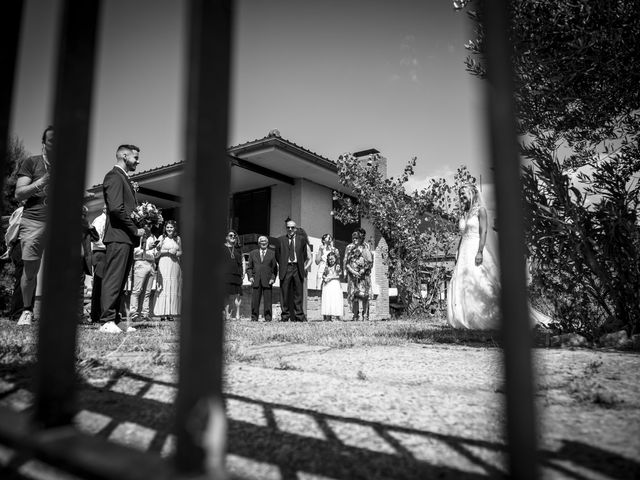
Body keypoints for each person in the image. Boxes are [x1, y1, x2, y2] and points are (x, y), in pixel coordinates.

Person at [99, 144, 146, 333]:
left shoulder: (124, 179)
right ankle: (107, 320)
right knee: (113, 278)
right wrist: (135, 230)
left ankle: (116, 319)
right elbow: (116, 208)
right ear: (124, 156)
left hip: (125, 238)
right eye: (135, 157)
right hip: (118, 236)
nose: (137, 161)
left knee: (121, 280)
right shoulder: (114, 176)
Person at [14, 126, 54, 326]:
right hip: (34, 221)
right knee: (31, 270)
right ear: (44, 143)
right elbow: (19, 194)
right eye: (52, 140)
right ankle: (27, 310)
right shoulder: (32, 162)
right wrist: (42, 181)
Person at [447, 184, 501, 329]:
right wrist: (457, 252)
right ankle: (465, 317)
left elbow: (483, 232)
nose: (461, 197)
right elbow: (462, 235)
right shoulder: (465, 213)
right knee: (462, 280)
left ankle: (485, 316)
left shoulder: (481, 211)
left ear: (472, 193)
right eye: (460, 194)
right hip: (464, 249)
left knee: (479, 279)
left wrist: (480, 251)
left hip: (475, 247)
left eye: (463, 194)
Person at [274, 218, 312, 322]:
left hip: (297, 268)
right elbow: (277, 255)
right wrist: (283, 264)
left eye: (292, 227)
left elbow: (304, 255)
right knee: (284, 293)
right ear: (286, 228)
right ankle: (285, 316)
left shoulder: (302, 240)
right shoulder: (280, 240)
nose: (290, 229)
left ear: (295, 229)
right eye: (288, 227)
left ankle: (299, 316)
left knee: (298, 293)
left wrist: (300, 266)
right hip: (286, 268)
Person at [154, 220, 182, 321]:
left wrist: (176, 253)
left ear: (174, 228)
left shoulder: (178, 239)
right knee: (164, 287)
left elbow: (181, 252)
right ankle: (162, 313)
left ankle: (171, 313)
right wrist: (167, 251)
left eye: (171, 227)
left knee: (173, 287)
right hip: (164, 263)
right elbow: (156, 251)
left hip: (174, 264)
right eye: (167, 227)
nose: (169, 229)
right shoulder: (161, 238)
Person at [246, 235, 277, 322]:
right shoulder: (253, 253)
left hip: (268, 280)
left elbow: (275, 269)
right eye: (261, 241)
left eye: (265, 241)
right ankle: (254, 318)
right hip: (256, 279)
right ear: (259, 243)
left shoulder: (272, 253)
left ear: (267, 243)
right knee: (255, 300)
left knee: (268, 301)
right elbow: (249, 267)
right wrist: (250, 277)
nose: (263, 243)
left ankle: (268, 318)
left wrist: (273, 278)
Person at [129, 231, 158, 322]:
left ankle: (145, 313)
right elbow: (134, 251)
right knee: (137, 290)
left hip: (151, 263)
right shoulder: (138, 237)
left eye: (150, 225)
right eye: (146, 224)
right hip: (141, 262)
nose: (148, 227)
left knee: (147, 292)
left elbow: (156, 254)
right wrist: (146, 248)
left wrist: (158, 249)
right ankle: (133, 313)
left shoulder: (153, 237)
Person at [344, 230, 373, 321]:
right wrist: (352, 272)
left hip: (363, 276)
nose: (355, 240)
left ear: (361, 239)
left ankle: (365, 315)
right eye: (353, 238)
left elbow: (370, 261)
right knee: (354, 296)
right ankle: (355, 315)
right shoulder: (350, 249)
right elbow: (346, 262)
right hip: (353, 276)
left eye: (357, 238)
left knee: (364, 296)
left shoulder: (365, 248)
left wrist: (363, 270)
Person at [80, 205, 99, 322]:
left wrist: (90, 226)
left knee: (79, 288)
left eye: (84, 215)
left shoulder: (86, 226)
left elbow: (96, 238)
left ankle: (78, 316)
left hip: (81, 260)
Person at [89, 205, 107, 322]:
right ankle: (96, 314)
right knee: (99, 284)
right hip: (100, 253)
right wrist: (110, 247)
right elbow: (96, 239)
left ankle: (102, 312)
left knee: (105, 284)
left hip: (106, 254)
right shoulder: (100, 220)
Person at [223, 229, 244, 320]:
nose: (233, 237)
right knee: (226, 294)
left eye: (234, 236)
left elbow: (242, 261)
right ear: (226, 237)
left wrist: (243, 272)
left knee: (238, 294)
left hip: (237, 274)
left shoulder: (238, 249)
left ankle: (237, 314)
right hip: (226, 274)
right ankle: (227, 314)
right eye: (231, 235)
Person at [321, 251, 343, 321]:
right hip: (327, 286)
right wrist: (324, 278)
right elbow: (324, 274)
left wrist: (330, 278)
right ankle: (328, 316)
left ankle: (335, 316)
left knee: (334, 299)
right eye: (329, 259)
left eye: (332, 259)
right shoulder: (327, 267)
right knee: (328, 299)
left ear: (335, 259)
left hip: (334, 284)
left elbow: (339, 275)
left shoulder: (337, 266)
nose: (331, 261)